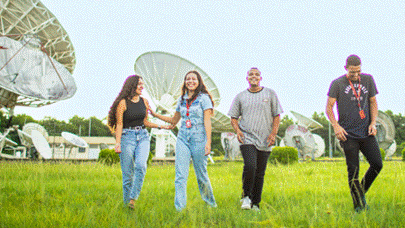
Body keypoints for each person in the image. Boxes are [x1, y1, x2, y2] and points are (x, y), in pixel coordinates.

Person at [151, 70, 217, 211]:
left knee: (201, 174)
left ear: (198, 82)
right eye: (188, 79)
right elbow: (174, 120)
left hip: (199, 138)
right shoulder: (181, 100)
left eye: (194, 79)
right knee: (180, 175)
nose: (190, 81)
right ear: (185, 82)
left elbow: (207, 121)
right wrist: (155, 114)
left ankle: (211, 204)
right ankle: (179, 208)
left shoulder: (204, 98)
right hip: (183, 138)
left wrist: (208, 142)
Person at [326, 54, 383, 212]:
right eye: (352, 72)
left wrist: (373, 123)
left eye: (358, 71)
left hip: (366, 132)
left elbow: (373, 102)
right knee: (354, 170)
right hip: (347, 134)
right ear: (346, 68)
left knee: (377, 164)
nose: (356, 75)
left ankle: (359, 192)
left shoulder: (368, 80)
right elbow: (329, 107)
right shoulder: (337, 84)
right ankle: (358, 207)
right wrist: (336, 127)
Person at [108, 75, 169, 209]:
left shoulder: (144, 101)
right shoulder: (123, 103)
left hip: (142, 136)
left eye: (143, 84)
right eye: (139, 84)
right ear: (132, 85)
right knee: (128, 175)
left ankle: (133, 199)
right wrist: (117, 143)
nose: (142, 86)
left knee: (141, 166)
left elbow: (145, 122)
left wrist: (161, 126)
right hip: (127, 137)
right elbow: (119, 124)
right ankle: (127, 207)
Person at [228, 67, 283, 210]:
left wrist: (273, 134)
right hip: (247, 137)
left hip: (265, 139)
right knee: (251, 166)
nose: (254, 76)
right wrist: (238, 131)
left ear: (260, 78)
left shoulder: (270, 94)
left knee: (260, 172)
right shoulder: (240, 97)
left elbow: (276, 116)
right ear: (247, 78)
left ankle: (255, 203)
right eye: (251, 74)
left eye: (257, 74)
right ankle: (246, 196)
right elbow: (233, 117)